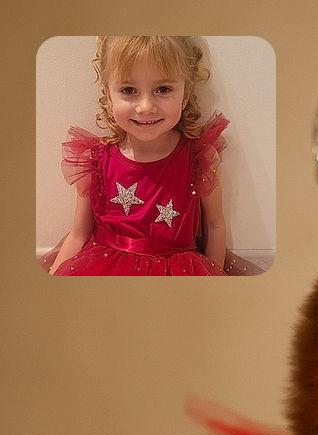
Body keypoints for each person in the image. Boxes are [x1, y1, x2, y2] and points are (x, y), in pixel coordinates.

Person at [45, 36, 234, 276]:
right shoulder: (94, 161)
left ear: (185, 94)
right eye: (128, 90)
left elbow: (215, 226)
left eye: (163, 89)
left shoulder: (200, 158)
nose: (146, 107)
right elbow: (79, 234)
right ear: (108, 94)